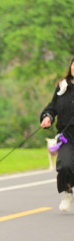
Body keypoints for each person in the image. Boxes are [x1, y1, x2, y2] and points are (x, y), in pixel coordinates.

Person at [40, 56, 74, 212]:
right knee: (65, 165)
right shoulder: (62, 86)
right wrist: (48, 117)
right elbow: (52, 107)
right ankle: (67, 192)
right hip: (67, 136)